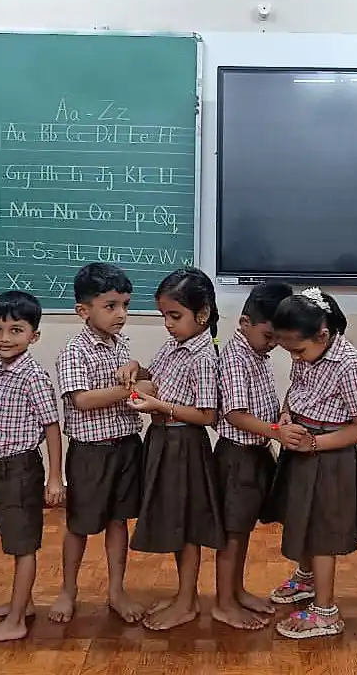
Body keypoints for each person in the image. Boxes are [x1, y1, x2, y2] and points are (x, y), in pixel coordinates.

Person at [263, 287, 357, 640]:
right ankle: (306, 577)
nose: (295, 358)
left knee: (323, 532)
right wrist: (285, 416)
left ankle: (325, 611)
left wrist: (315, 443)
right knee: (302, 518)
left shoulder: (349, 364)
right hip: (301, 448)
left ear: (323, 334)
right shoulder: (307, 354)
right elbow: (294, 390)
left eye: (298, 350)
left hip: (328, 456)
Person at [125, 266, 227, 630]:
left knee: (186, 525)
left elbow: (207, 414)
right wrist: (137, 369)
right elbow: (153, 377)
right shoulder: (175, 345)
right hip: (162, 440)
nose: (168, 324)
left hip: (184, 443)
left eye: (175, 316)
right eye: (164, 316)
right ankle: (184, 593)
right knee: (172, 521)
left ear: (202, 315)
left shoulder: (203, 356)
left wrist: (160, 407)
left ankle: (187, 601)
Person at [0, 290, 65, 644]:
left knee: (23, 546)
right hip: (3, 469)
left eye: (15, 330)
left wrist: (55, 477)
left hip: (21, 469)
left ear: (33, 335)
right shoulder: (3, 371)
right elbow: (5, 420)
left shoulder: (31, 375)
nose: (4, 338)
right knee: (12, 537)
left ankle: (17, 620)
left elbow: (51, 426)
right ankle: (25, 603)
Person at [49, 263, 146, 624]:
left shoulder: (122, 347)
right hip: (91, 453)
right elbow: (82, 400)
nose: (121, 314)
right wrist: (129, 390)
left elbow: (139, 379)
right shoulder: (75, 351)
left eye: (125, 305)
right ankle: (67, 590)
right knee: (80, 524)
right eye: (111, 306)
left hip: (125, 446)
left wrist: (136, 370)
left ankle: (116, 590)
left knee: (119, 521)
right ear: (83, 311)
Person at [211, 281, 293, 631]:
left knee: (243, 529)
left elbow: (261, 406)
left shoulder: (257, 355)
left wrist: (281, 419)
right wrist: (276, 431)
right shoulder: (234, 357)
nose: (272, 343)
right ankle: (223, 603)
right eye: (268, 335)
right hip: (236, 457)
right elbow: (234, 414)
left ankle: (237, 590)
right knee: (232, 532)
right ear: (245, 322)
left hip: (258, 452)